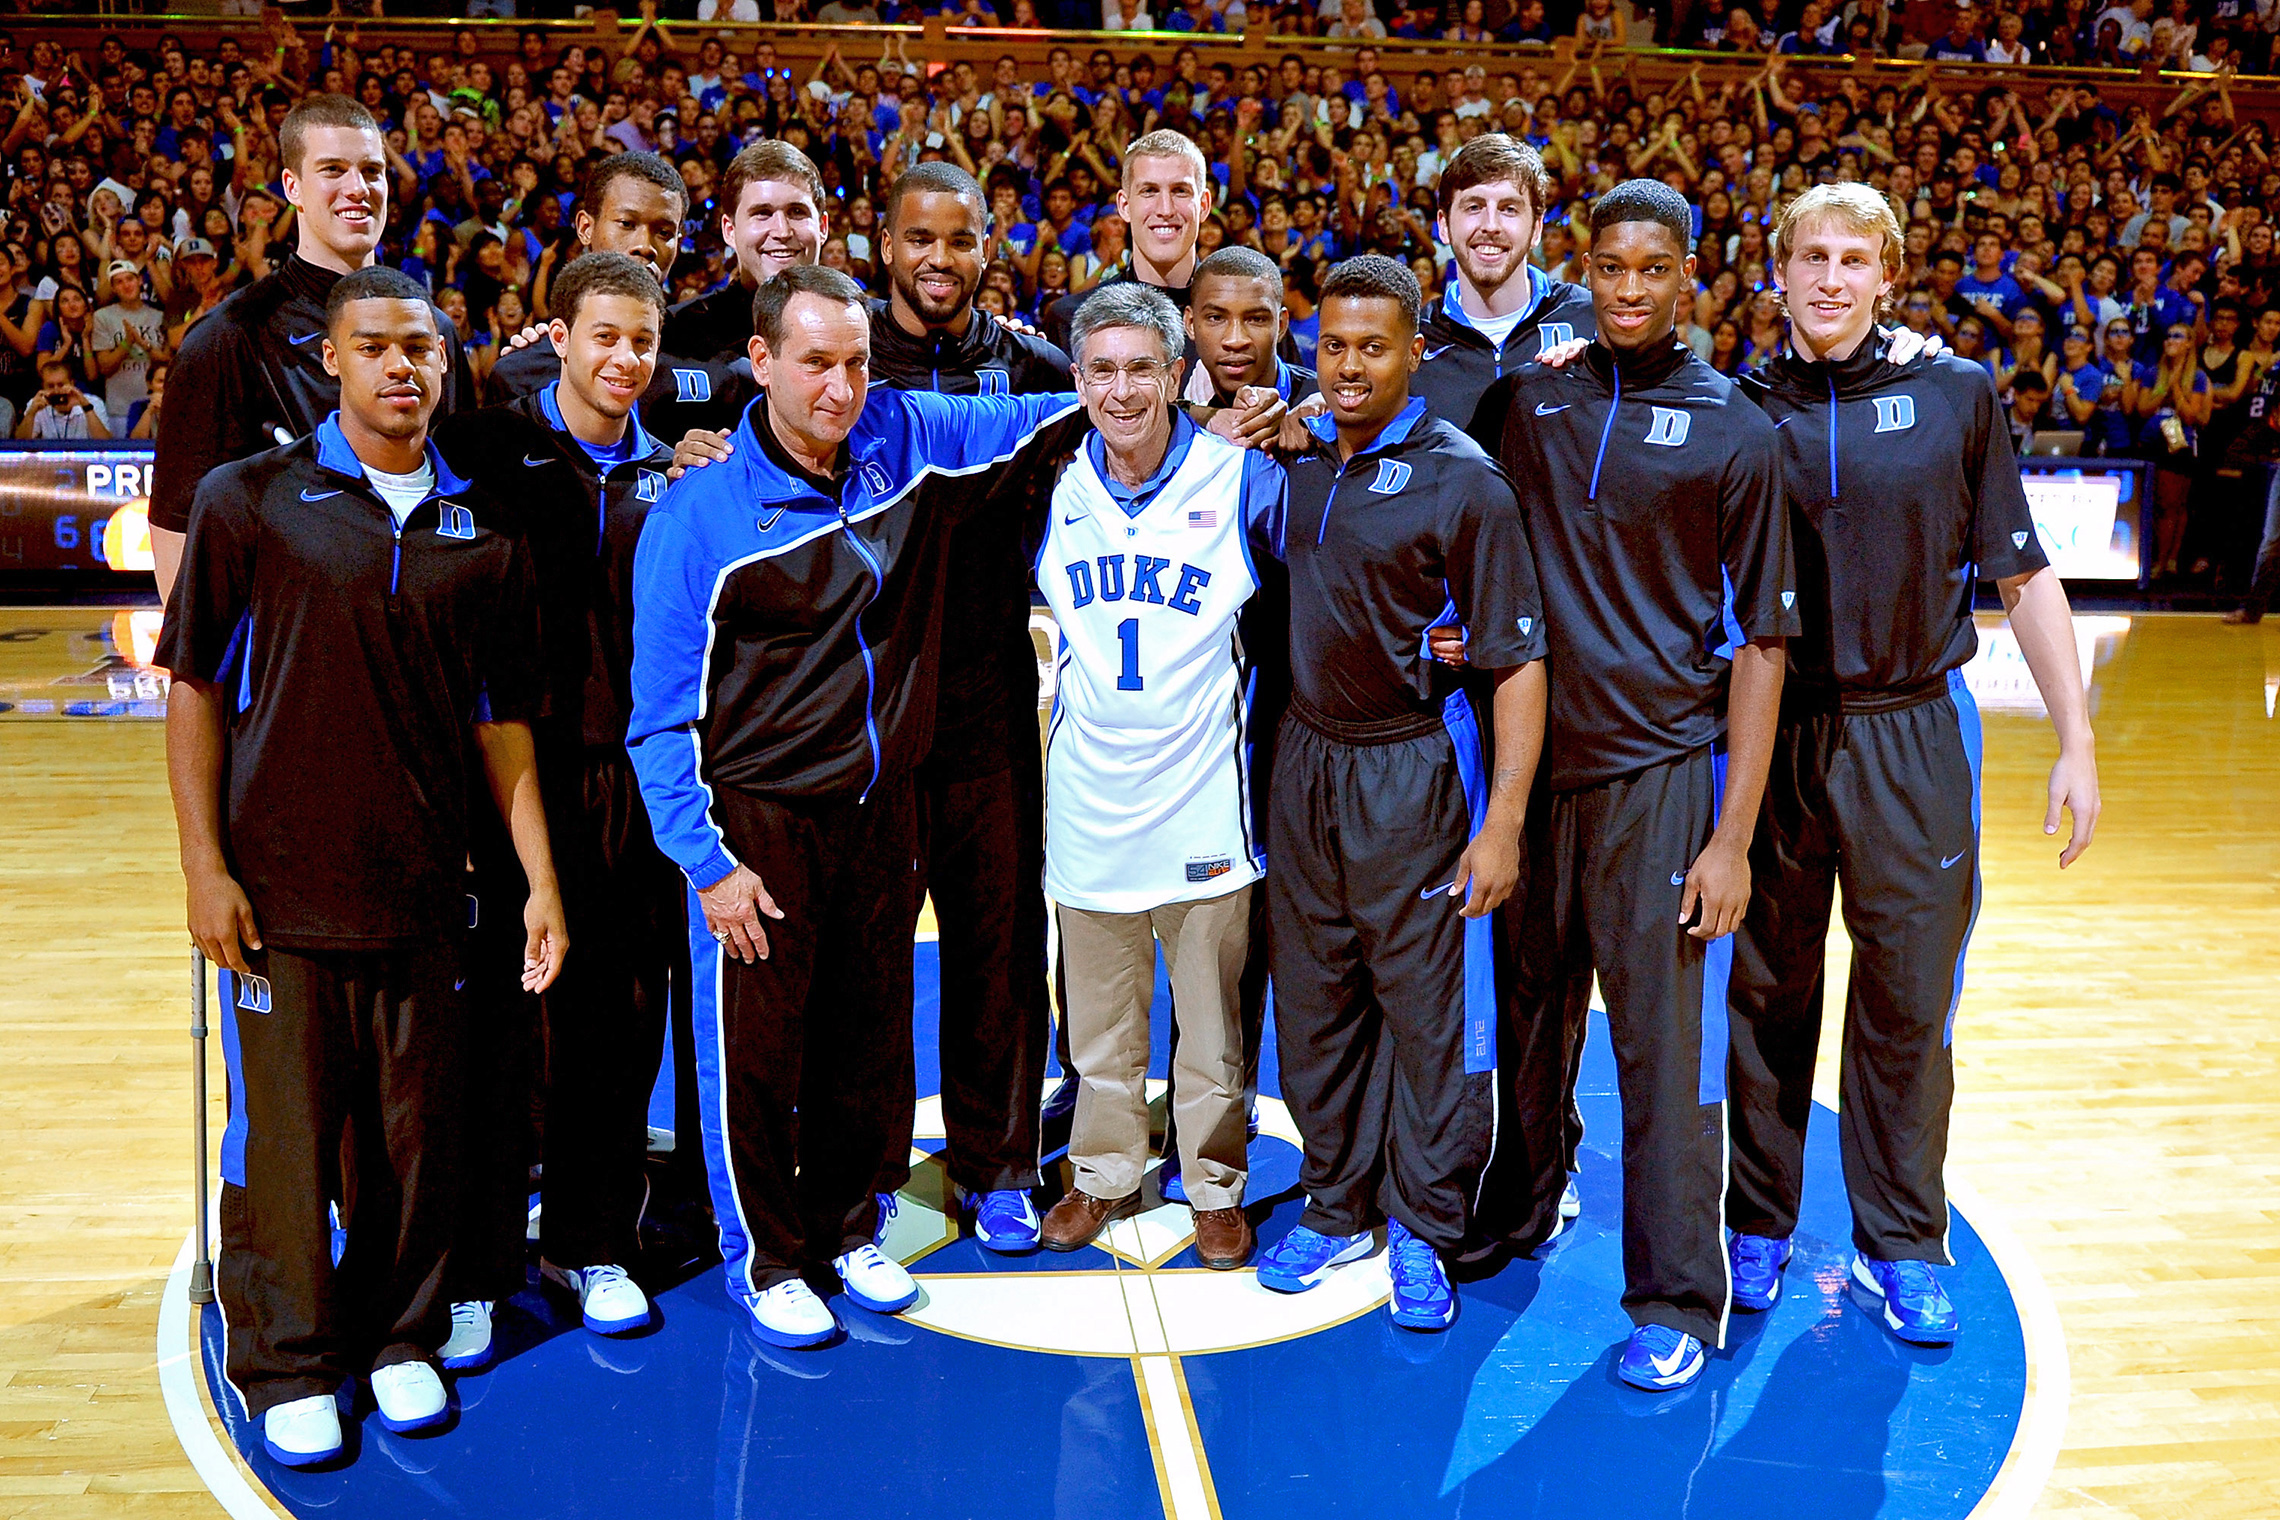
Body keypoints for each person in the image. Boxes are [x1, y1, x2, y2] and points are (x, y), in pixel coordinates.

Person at [624, 265, 1091, 1349]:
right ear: (763, 362)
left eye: (856, 363)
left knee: (869, 1041)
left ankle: (848, 1224)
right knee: (757, 1058)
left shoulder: (900, 430)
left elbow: (1042, 411)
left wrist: (1147, 390)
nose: (840, 388)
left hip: (881, 809)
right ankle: (767, 1256)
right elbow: (657, 719)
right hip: (756, 824)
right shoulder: (700, 517)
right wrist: (706, 861)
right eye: (816, 364)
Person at [155, 265, 564, 1468]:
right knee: (285, 1139)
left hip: (429, 889)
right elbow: (194, 693)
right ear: (329, 359)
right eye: (375, 345)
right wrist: (202, 865)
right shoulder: (252, 498)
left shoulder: (481, 528)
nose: (402, 367)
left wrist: (539, 879)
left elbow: (503, 724)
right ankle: (289, 1357)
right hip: (278, 895)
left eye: (422, 349)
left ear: (447, 364)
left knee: (411, 1135)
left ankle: (398, 1340)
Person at [1723, 184, 2099, 1344]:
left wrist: (2077, 737)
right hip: (1776, 734)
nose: (1829, 278)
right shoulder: (1733, 406)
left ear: (1888, 274)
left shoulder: (1954, 393)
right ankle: (1759, 1221)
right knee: (1767, 995)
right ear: (1774, 271)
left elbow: (2022, 575)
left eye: (1853, 259)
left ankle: (1900, 1238)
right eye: (1809, 257)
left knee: (1907, 1005)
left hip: (1910, 734)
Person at [1493, 180, 1797, 1392]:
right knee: (1526, 1021)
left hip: (1659, 779)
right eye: (1609, 267)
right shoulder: (1537, 397)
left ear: (1689, 277)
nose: (1628, 288)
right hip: (1533, 773)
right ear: (1587, 270)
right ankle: (1519, 1203)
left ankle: (1675, 1292)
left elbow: (1764, 648)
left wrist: (1732, 836)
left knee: (1663, 1058)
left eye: (1651, 269)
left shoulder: (1736, 428)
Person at [1250, 255, 1548, 1336]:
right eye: (1332, 345)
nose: (1349, 366)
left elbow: (1517, 658)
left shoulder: (1462, 479)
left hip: (1414, 763)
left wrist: (1503, 817)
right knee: (1317, 999)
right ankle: (1339, 1203)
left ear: (1415, 353)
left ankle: (1423, 1222)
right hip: (1305, 758)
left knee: (1427, 1016)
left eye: (1373, 346)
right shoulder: (1296, 456)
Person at [433, 252, 682, 1369]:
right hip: (510, 773)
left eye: (643, 340)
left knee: (619, 1020)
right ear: (559, 337)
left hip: (630, 776)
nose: (625, 359)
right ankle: (478, 1268)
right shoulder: (486, 447)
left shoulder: (673, 470)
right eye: (606, 336)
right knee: (496, 1029)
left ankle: (593, 1241)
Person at [1036, 282, 1281, 1272]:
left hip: (1203, 805)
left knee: (1213, 1032)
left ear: (1177, 375)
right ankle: (1102, 1176)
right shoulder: (1050, 487)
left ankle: (1214, 1185)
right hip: (1089, 800)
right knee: (1098, 1028)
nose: (1122, 389)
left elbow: (1335, 570)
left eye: (1143, 367)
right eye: (1102, 369)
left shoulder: (1244, 478)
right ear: (1079, 379)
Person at [866, 162, 1071, 1253]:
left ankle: (999, 1165)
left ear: (990, 243)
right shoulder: (844, 358)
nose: (938, 259)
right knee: (871, 949)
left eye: (960, 239)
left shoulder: (1033, 366)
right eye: (919, 238)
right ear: (883, 243)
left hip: (993, 705)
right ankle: (867, 1162)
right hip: (866, 713)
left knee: (999, 944)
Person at [151, 93, 473, 607]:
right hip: (285, 654)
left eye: (372, 171)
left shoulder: (432, 328)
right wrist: (202, 674)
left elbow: (462, 494)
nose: (358, 188)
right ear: (292, 187)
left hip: (415, 635)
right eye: (333, 170)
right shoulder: (227, 335)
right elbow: (176, 526)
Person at [1413, 135, 1596, 443]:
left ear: (1536, 228)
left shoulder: (1591, 321)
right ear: (1443, 224)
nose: (1491, 225)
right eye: (1474, 206)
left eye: (1509, 209)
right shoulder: (1412, 341)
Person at [490, 152, 687, 399]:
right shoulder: (523, 373)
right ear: (585, 228)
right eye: (626, 223)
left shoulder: (711, 360)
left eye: (665, 232)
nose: (645, 245)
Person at [16, 356, 109, 438]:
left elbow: (104, 443)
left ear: (72, 384)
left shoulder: (93, 402)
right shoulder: (36, 404)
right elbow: (20, 443)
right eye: (50, 386)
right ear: (43, 387)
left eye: (61, 385)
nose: (56, 391)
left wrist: (86, 408)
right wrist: (31, 414)